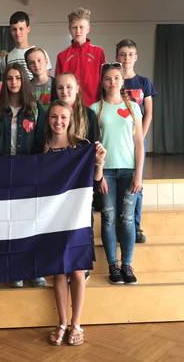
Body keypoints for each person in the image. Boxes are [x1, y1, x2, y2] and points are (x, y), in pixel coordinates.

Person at [39, 100, 105, 347]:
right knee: (58, 270)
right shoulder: (40, 150)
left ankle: (77, 324)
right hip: (52, 220)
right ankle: (62, 323)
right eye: (54, 117)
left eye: (63, 117)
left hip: (77, 218)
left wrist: (98, 161)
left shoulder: (83, 147)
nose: (58, 121)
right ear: (48, 120)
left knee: (77, 271)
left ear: (70, 120)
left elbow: (95, 184)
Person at [0, 62, 46, 288]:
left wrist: (35, 168)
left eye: (18, 78)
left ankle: (36, 269)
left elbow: (41, 140)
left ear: (24, 81)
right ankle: (16, 269)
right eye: (10, 78)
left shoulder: (35, 108)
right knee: (11, 222)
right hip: (5, 169)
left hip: (29, 170)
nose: (14, 82)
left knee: (32, 221)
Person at [90, 62, 144, 285]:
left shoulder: (133, 108)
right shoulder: (95, 109)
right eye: (107, 79)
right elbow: (93, 146)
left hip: (129, 171)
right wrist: (99, 175)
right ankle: (113, 265)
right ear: (102, 82)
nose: (112, 82)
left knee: (128, 219)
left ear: (123, 81)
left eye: (116, 78)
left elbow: (139, 142)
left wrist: (139, 174)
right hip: (107, 172)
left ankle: (127, 265)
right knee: (109, 217)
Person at [55, 72, 98, 282]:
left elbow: (95, 148)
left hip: (81, 179)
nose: (65, 92)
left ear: (77, 88)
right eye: (60, 88)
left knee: (83, 219)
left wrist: (99, 173)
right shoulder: (52, 115)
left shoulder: (89, 115)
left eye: (69, 87)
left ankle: (83, 262)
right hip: (58, 181)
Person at [115, 39, 157, 243]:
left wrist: (140, 137)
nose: (126, 58)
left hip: (136, 141)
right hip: (117, 141)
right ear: (116, 57)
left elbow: (148, 113)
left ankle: (136, 226)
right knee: (118, 180)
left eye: (130, 54)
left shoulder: (143, 82)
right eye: (122, 54)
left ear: (136, 57)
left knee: (136, 183)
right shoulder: (113, 80)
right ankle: (118, 223)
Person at [55, 7, 105, 107]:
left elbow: (104, 80)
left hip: (94, 105)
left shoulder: (98, 52)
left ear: (88, 29)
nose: (78, 31)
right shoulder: (62, 55)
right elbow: (57, 84)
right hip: (70, 107)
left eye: (81, 27)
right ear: (70, 30)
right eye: (74, 27)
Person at [1, 11, 52, 80]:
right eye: (14, 29)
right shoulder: (6, 59)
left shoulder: (41, 53)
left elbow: (45, 83)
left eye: (21, 28)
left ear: (28, 29)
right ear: (10, 31)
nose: (17, 33)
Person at [25, 47, 56, 112]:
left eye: (39, 60)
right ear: (28, 67)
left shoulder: (57, 85)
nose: (36, 65)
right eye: (32, 62)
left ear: (46, 62)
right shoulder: (25, 88)